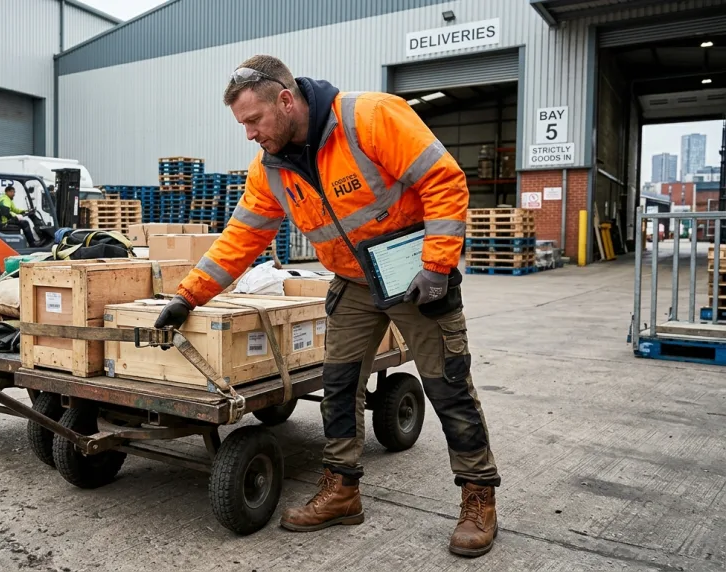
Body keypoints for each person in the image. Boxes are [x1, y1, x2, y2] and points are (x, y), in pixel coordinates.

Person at [154, 55, 500, 557]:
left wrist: (438, 265)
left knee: (448, 386)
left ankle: (478, 497)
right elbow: (241, 238)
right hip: (353, 283)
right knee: (338, 386)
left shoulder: (370, 118)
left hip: (415, 275)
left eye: (254, 120)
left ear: (287, 101)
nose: (249, 134)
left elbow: (444, 181)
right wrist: (187, 297)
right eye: (242, 124)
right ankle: (343, 491)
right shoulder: (271, 169)